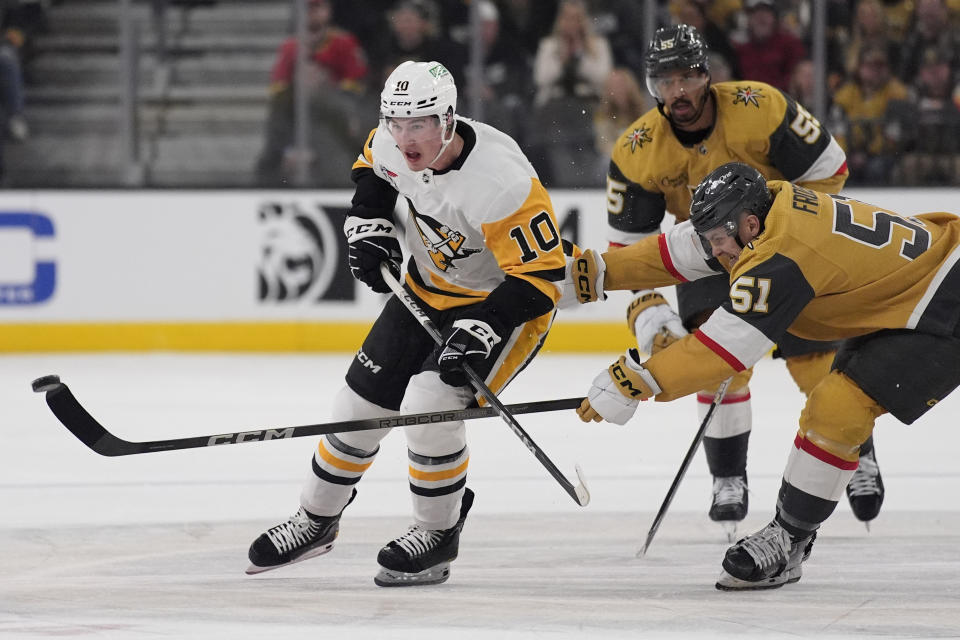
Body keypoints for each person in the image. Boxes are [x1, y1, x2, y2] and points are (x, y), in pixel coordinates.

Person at [246, 60, 567, 587]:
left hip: (504, 305)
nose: (404, 136)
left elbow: (541, 278)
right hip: (425, 288)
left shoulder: (502, 181)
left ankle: (437, 532)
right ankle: (316, 519)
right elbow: (371, 169)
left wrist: (486, 323)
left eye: (416, 123)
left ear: (447, 118)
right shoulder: (392, 143)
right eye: (395, 121)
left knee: (430, 403)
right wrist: (368, 220)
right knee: (357, 405)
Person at [570, 161, 960, 589]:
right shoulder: (766, 206)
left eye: (720, 240)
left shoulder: (783, 253)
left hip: (946, 307)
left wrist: (638, 380)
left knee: (838, 405)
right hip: (916, 290)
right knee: (836, 404)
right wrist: (597, 273)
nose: (716, 251)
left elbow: (722, 351)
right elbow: (679, 250)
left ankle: (789, 542)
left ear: (748, 225)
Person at [603, 23, 883, 536]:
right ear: (651, 87)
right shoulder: (638, 149)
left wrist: (794, 227)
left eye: (688, 76)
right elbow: (627, 257)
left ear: (707, 74)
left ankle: (856, 450)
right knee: (715, 363)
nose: (679, 91)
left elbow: (830, 169)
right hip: (711, 255)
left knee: (814, 360)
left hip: (789, 245)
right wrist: (651, 319)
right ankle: (728, 477)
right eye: (665, 81)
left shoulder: (761, 105)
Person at [254, 0, 369, 187]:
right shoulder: (290, 47)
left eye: (317, 8)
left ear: (328, 11)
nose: (312, 13)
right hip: (297, 120)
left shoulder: (343, 43)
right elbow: (279, 91)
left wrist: (325, 88)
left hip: (335, 121)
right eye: (308, 8)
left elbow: (356, 89)